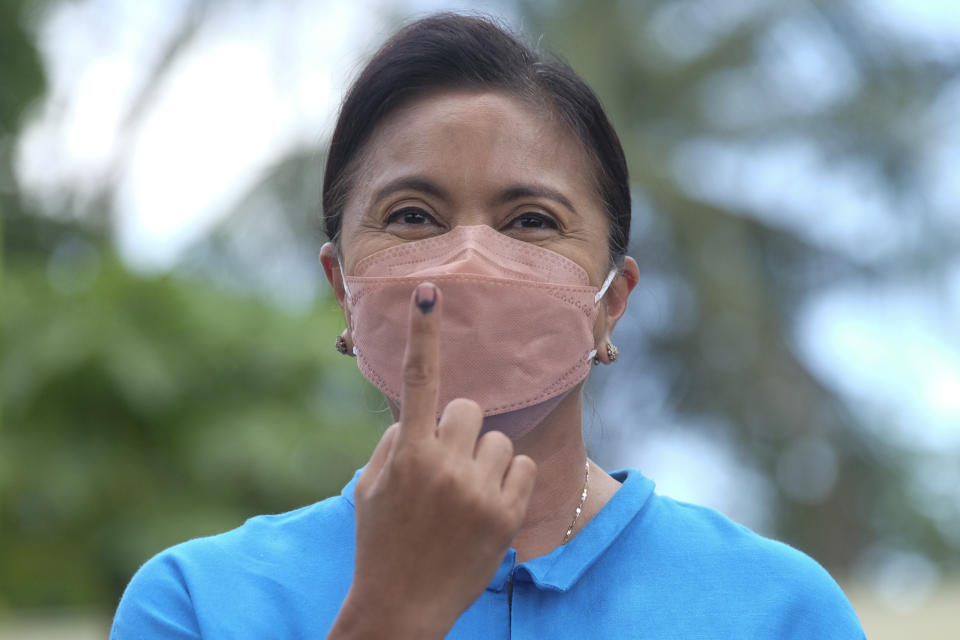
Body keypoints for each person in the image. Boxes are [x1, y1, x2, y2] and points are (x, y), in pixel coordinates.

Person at [111, 13, 866, 639]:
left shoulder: (779, 611)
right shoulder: (197, 604)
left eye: (531, 220)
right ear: (343, 285)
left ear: (612, 299)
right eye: (413, 216)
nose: (470, 258)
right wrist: (389, 614)